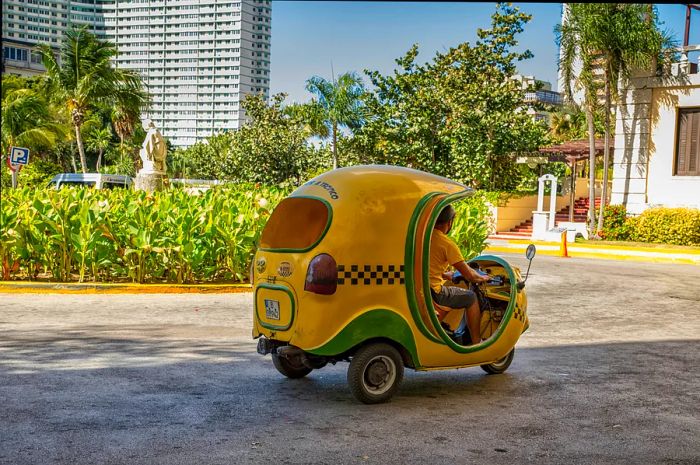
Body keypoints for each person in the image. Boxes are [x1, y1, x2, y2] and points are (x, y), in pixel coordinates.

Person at [429, 205, 491, 345]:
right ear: (450, 222)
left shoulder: (422, 238)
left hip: (423, 289)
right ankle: (476, 343)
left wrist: (444, 274)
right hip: (435, 293)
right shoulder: (446, 244)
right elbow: (470, 275)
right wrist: (484, 278)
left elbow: (426, 266)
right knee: (470, 297)